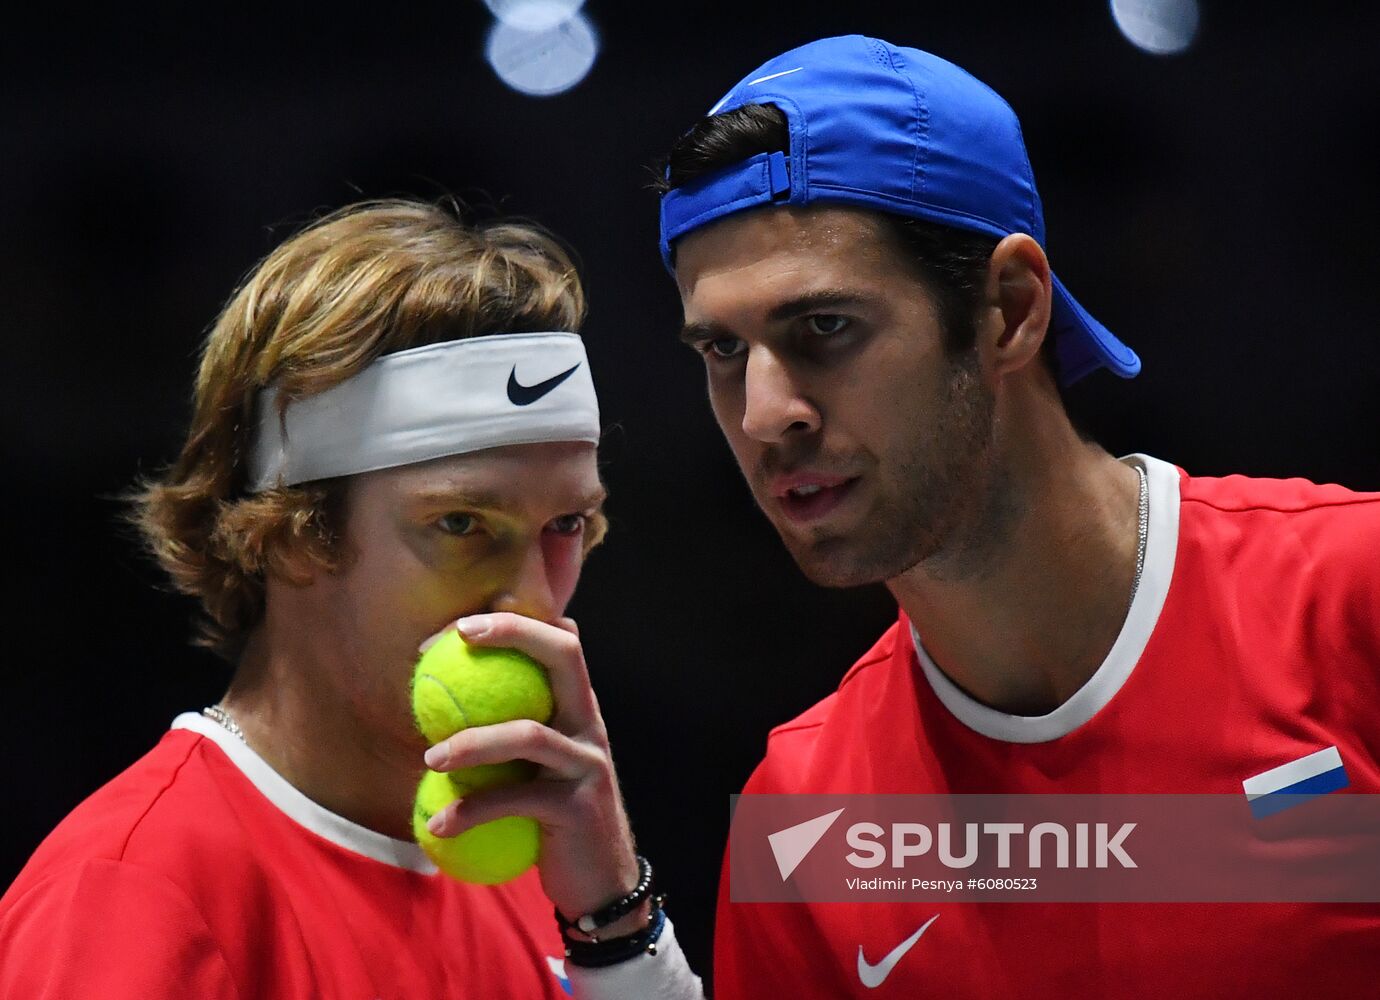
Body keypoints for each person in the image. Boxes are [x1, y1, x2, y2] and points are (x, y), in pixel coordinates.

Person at [655, 35, 1380, 997]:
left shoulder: (1350, 596)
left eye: (823, 328)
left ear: (1009, 308)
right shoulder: (807, 821)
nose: (763, 414)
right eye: (721, 352)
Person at [0, 199, 701, 998]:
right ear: (295, 532)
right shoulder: (130, 896)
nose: (535, 602)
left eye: (567, 523)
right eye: (463, 523)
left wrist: (615, 923)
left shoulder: (547, 871)